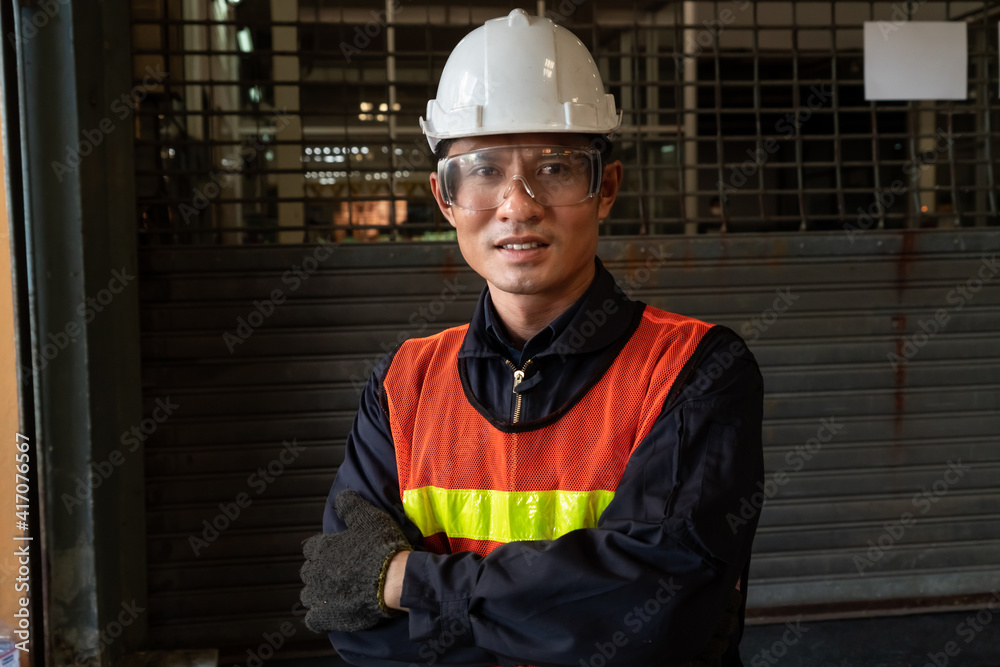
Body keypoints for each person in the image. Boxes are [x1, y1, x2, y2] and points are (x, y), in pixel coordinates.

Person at [300, 9, 764, 666]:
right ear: (444, 198)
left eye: (555, 167)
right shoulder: (403, 385)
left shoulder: (695, 371)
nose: (518, 204)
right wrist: (555, 615)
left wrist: (410, 581)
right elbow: (356, 624)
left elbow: (654, 617)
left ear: (606, 187)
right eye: (483, 169)